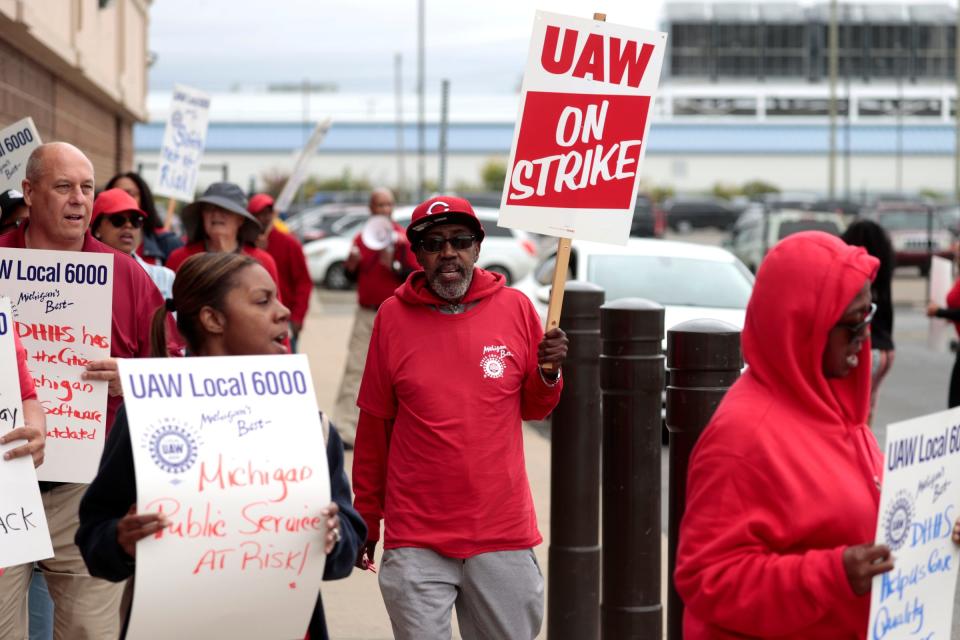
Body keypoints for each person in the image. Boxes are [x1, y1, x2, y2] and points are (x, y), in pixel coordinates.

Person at [75, 252, 365, 640]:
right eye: (262, 301)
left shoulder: (311, 428)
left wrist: (334, 537)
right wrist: (121, 539)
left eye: (278, 299)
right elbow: (94, 538)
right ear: (212, 319)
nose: (283, 312)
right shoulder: (148, 418)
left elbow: (347, 541)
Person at [352, 195, 568, 640]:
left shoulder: (517, 309)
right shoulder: (391, 318)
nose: (448, 253)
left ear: (477, 247)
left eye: (459, 240)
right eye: (433, 244)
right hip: (417, 536)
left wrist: (549, 372)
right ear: (418, 255)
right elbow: (375, 424)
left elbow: (534, 406)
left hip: (501, 531)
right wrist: (366, 517)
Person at [675, 231, 893, 638]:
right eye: (852, 322)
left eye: (869, 314)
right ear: (802, 325)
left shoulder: (834, 407)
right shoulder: (742, 437)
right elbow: (708, 578)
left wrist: (928, 527)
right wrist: (833, 573)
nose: (866, 334)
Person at [0, 142, 171, 639]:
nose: (79, 199)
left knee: (89, 634)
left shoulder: (127, 276)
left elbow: (172, 374)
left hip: (87, 491)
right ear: (29, 193)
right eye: (63, 187)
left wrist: (134, 378)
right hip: (6, 484)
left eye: (87, 188)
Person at [333, 187, 418, 446]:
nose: (384, 210)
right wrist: (350, 267)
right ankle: (346, 430)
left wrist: (394, 263)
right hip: (367, 314)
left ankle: (398, 429)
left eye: (388, 205)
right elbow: (351, 279)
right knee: (356, 369)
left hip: (396, 316)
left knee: (399, 374)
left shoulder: (403, 239)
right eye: (379, 205)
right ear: (371, 208)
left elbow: (414, 279)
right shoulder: (361, 239)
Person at [164, 182, 281, 292]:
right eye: (209, 208)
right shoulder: (181, 259)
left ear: (240, 219)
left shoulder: (262, 261)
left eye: (225, 209)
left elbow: (273, 311)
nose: (216, 214)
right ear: (202, 216)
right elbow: (166, 309)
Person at [842, 219, 896, 422]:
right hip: (886, 350)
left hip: (868, 349)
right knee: (868, 410)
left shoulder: (858, 276)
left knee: (853, 414)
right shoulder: (883, 272)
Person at [248, 192, 313, 350]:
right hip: (251, 323)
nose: (263, 218)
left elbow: (304, 283)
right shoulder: (242, 245)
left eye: (267, 213)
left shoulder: (289, 244)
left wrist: (297, 317)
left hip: (283, 321)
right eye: (258, 214)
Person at [91, 188, 176, 299]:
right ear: (97, 228)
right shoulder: (77, 276)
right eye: (118, 220)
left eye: (136, 220)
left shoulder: (164, 278)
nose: (128, 225)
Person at [104, 171, 183, 265]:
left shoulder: (167, 242)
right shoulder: (89, 247)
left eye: (130, 194)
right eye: (117, 194)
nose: (128, 225)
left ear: (144, 199)